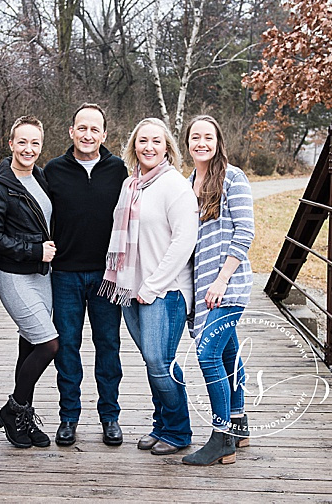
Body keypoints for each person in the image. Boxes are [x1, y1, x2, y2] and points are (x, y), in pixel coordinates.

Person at [100, 117, 199, 455]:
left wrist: (154, 286)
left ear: (167, 147)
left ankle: (179, 431)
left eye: (156, 141)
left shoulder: (174, 186)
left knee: (160, 362)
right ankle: (162, 426)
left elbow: (184, 242)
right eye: (143, 141)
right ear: (134, 146)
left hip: (165, 291)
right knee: (153, 362)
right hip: (130, 288)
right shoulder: (132, 186)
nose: (149, 147)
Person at [44, 103, 128, 447]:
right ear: (71, 132)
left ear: (104, 135)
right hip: (64, 274)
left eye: (95, 129)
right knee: (67, 347)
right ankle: (69, 417)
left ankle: (110, 416)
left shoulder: (119, 170)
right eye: (82, 128)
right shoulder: (52, 170)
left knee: (108, 345)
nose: (88, 135)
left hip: (107, 275)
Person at [181, 115, 255, 466]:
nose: (201, 143)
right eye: (195, 137)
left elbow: (245, 233)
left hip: (227, 284)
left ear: (218, 141)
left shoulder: (233, 177)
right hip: (202, 285)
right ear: (187, 143)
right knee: (226, 354)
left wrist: (222, 279)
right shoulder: (189, 182)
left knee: (208, 355)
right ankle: (239, 424)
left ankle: (221, 437)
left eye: (208, 137)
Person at [0, 115, 59, 449]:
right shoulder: (1, 185)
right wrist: (34, 250)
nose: (29, 149)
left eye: (35, 143)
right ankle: (13, 411)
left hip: (43, 277)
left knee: (30, 344)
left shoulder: (40, 177)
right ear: (10, 143)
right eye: (22, 142)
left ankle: (23, 417)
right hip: (15, 276)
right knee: (49, 344)